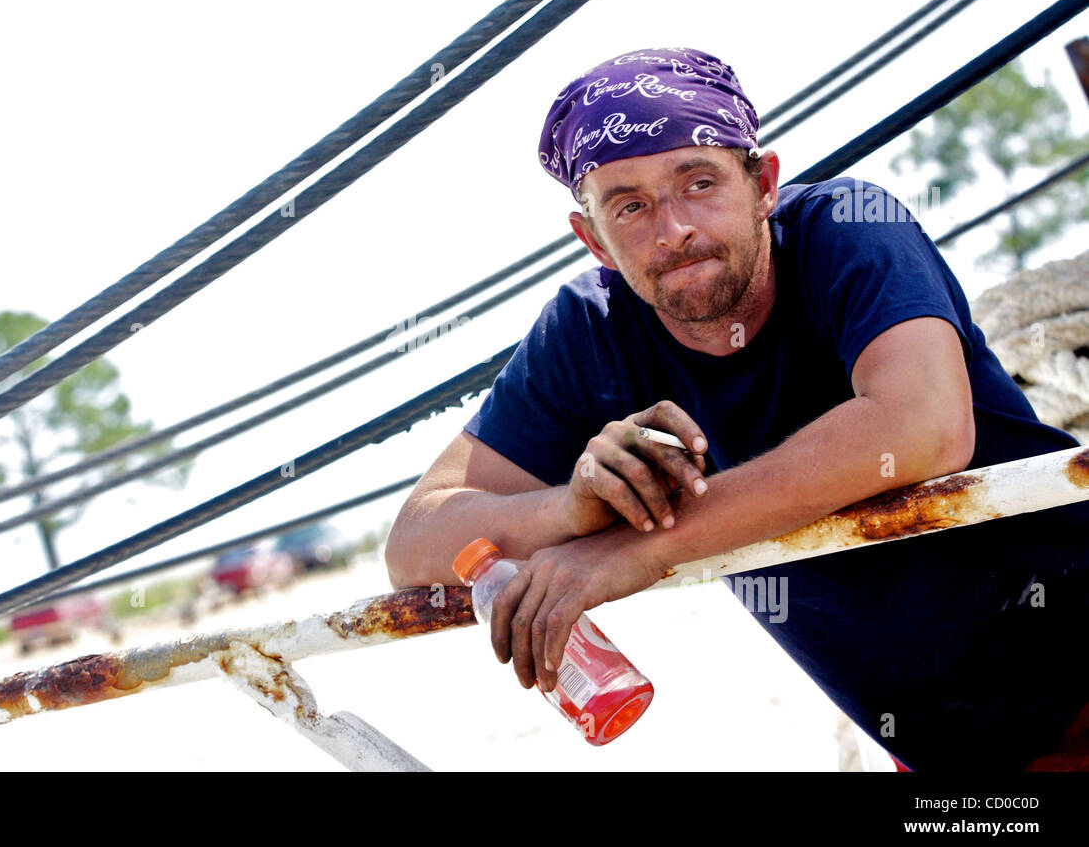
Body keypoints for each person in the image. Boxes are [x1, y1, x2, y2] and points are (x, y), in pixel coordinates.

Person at [383, 47, 1089, 771]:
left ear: (764, 184)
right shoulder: (587, 331)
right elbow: (412, 545)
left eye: (700, 182)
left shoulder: (846, 228)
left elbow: (922, 429)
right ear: (592, 238)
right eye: (629, 205)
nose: (673, 228)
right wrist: (577, 512)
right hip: (951, 753)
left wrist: (640, 548)